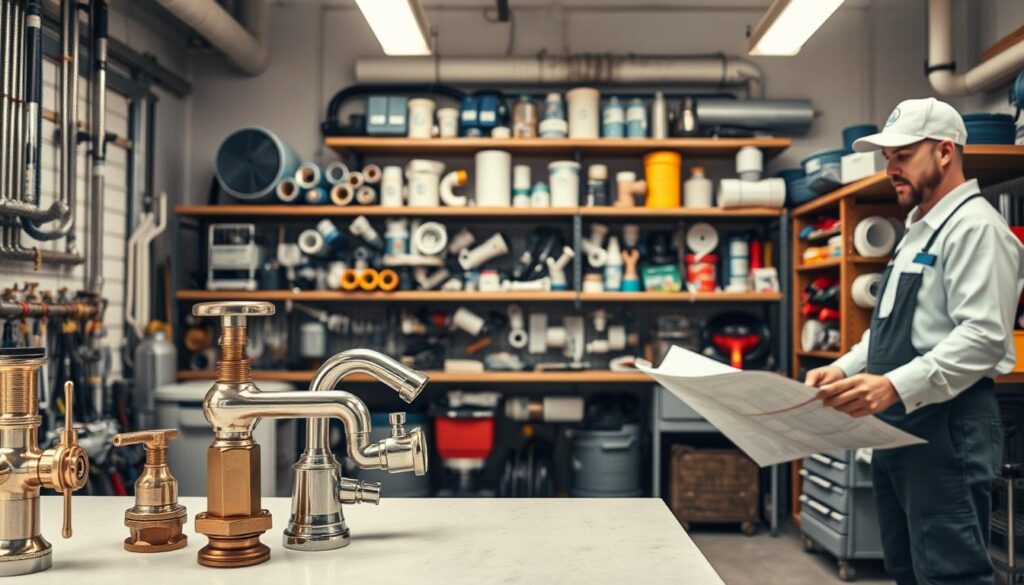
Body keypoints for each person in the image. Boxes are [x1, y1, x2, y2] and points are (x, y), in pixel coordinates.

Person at [804, 97, 1024, 585]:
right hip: (898, 428)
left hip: (948, 429)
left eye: (902, 155)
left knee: (950, 574)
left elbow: (984, 338)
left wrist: (892, 387)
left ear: (945, 152)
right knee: (906, 569)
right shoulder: (918, 232)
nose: (891, 169)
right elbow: (890, 329)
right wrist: (843, 368)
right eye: (888, 158)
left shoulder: (976, 229)